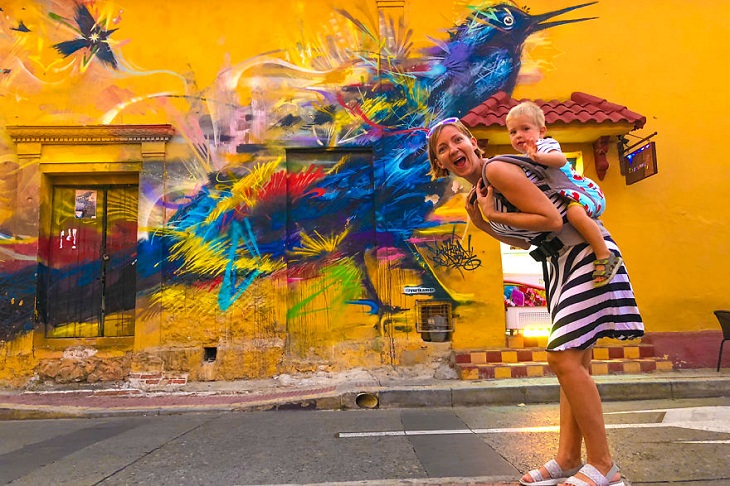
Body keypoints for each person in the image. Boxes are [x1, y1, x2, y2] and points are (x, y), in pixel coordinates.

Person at [426, 118, 644, 486]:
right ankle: (568, 457)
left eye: (457, 140)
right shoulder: (481, 191)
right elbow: (524, 241)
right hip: (558, 263)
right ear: (440, 164)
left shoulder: (496, 169)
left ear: (473, 142)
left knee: (562, 357)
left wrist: (493, 214)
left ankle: (604, 465)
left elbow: (551, 219)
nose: (452, 151)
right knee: (575, 363)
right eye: (443, 150)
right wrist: (482, 221)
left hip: (585, 254)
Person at [505, 101, 621, 286]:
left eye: (525, 128)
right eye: (513, 132)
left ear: (541, 131)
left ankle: (604, 254)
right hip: (566, 197)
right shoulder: (525, 160)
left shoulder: (544, 146)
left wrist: (539, 157)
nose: (519, 135)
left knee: (574, 214)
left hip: (582, 192)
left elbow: (559, 160)